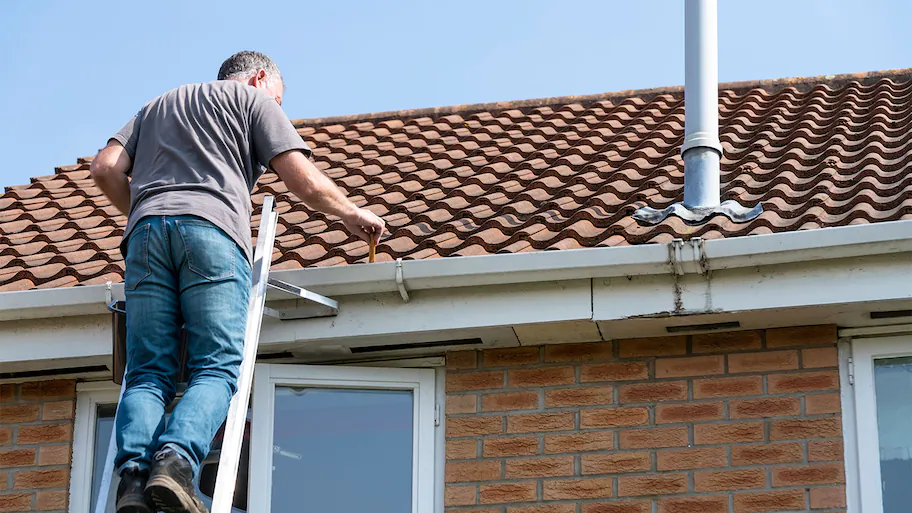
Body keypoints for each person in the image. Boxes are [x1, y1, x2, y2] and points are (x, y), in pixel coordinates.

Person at [90, 51, 385, 513]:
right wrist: (350, 212)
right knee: (217, 366)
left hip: (144, 237)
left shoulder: (156, 105)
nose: (281, 109)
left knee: (146, 373)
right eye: (281, 100)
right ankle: (175, 464)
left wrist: (149, 213)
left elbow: (106, 168)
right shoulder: (251, 101)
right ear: (260, 78)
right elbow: (301, 180)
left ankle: (131, 481)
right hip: (211, 234)